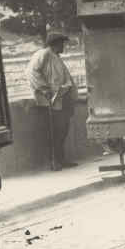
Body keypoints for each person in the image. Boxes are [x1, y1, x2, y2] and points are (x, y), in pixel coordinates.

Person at [28, 29, 77, 169]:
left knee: (62, 131)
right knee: (53, 132)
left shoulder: (55, 56)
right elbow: (32, 72)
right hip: (51, 101)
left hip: (61, 99)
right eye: (62, 43)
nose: (63, 46)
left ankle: (61, 160)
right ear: (55, 44)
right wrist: (45, 90)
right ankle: (54, 161)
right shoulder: (43, 54)